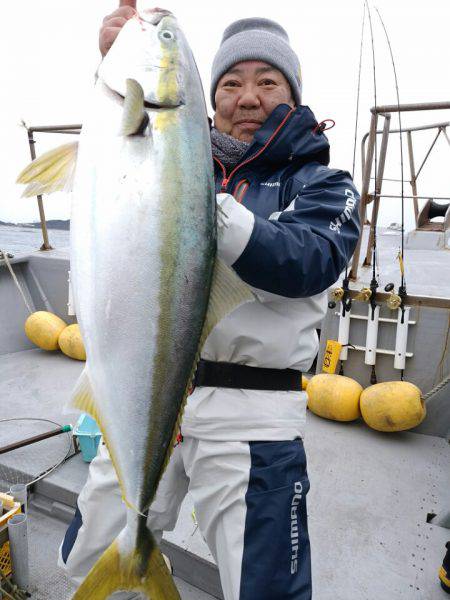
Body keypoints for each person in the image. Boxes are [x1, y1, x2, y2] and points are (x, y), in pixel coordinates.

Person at [59, 3, 361, 599]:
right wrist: (121, 72)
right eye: (230, 83)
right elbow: (112, 177)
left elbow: (310, 258)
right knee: (88, 552)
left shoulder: (321, 183)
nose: (248, 97)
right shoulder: (166, 162)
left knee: (265, 586)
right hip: (142, 392)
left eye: (267, 82)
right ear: (206, 97)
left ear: (294, 93)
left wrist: (195, 199)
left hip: (252, 411)